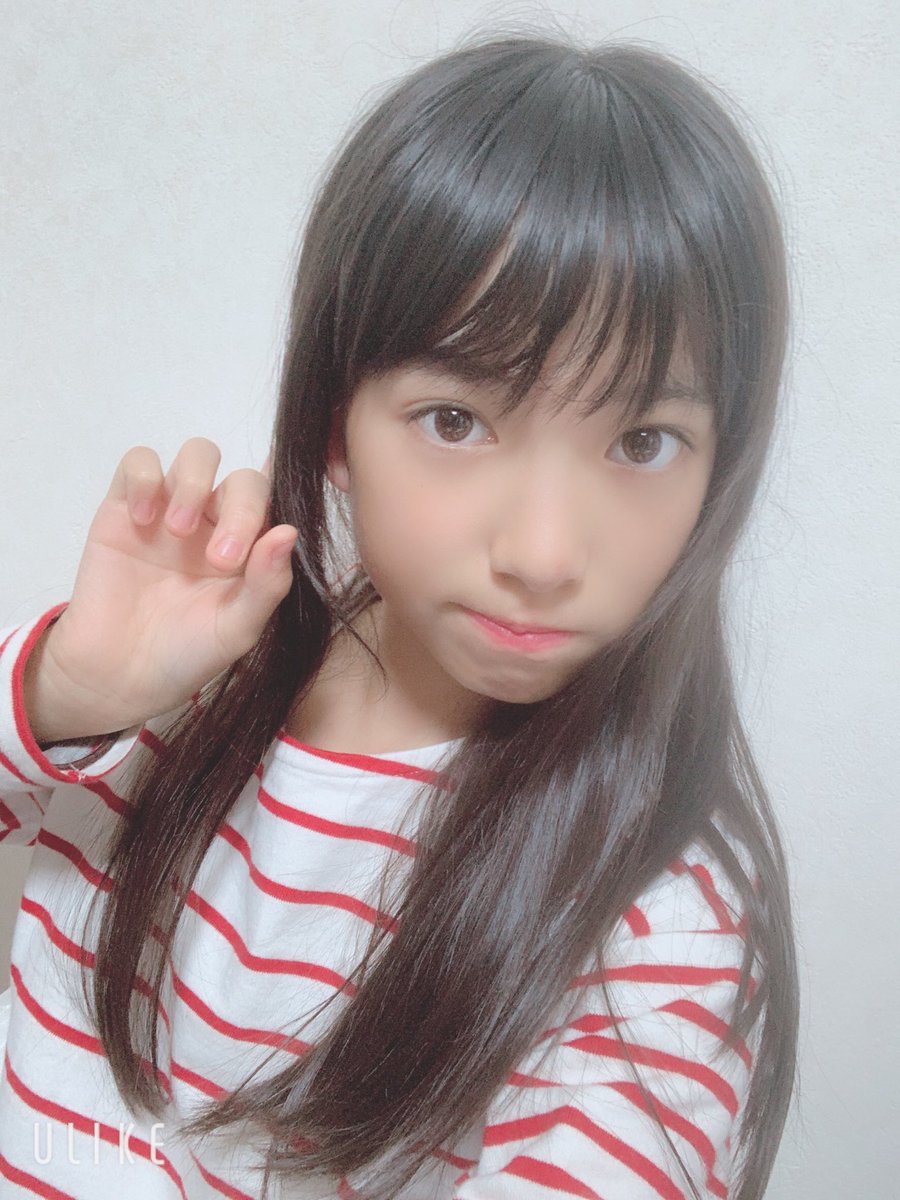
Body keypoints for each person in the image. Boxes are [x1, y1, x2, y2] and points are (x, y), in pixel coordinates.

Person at [0, 29, 799, 1200]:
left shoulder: (660, 924)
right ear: (336, 425)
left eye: (642, 441)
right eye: (457, 420)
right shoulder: (182, 676)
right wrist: (65, 695)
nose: (542, 554)